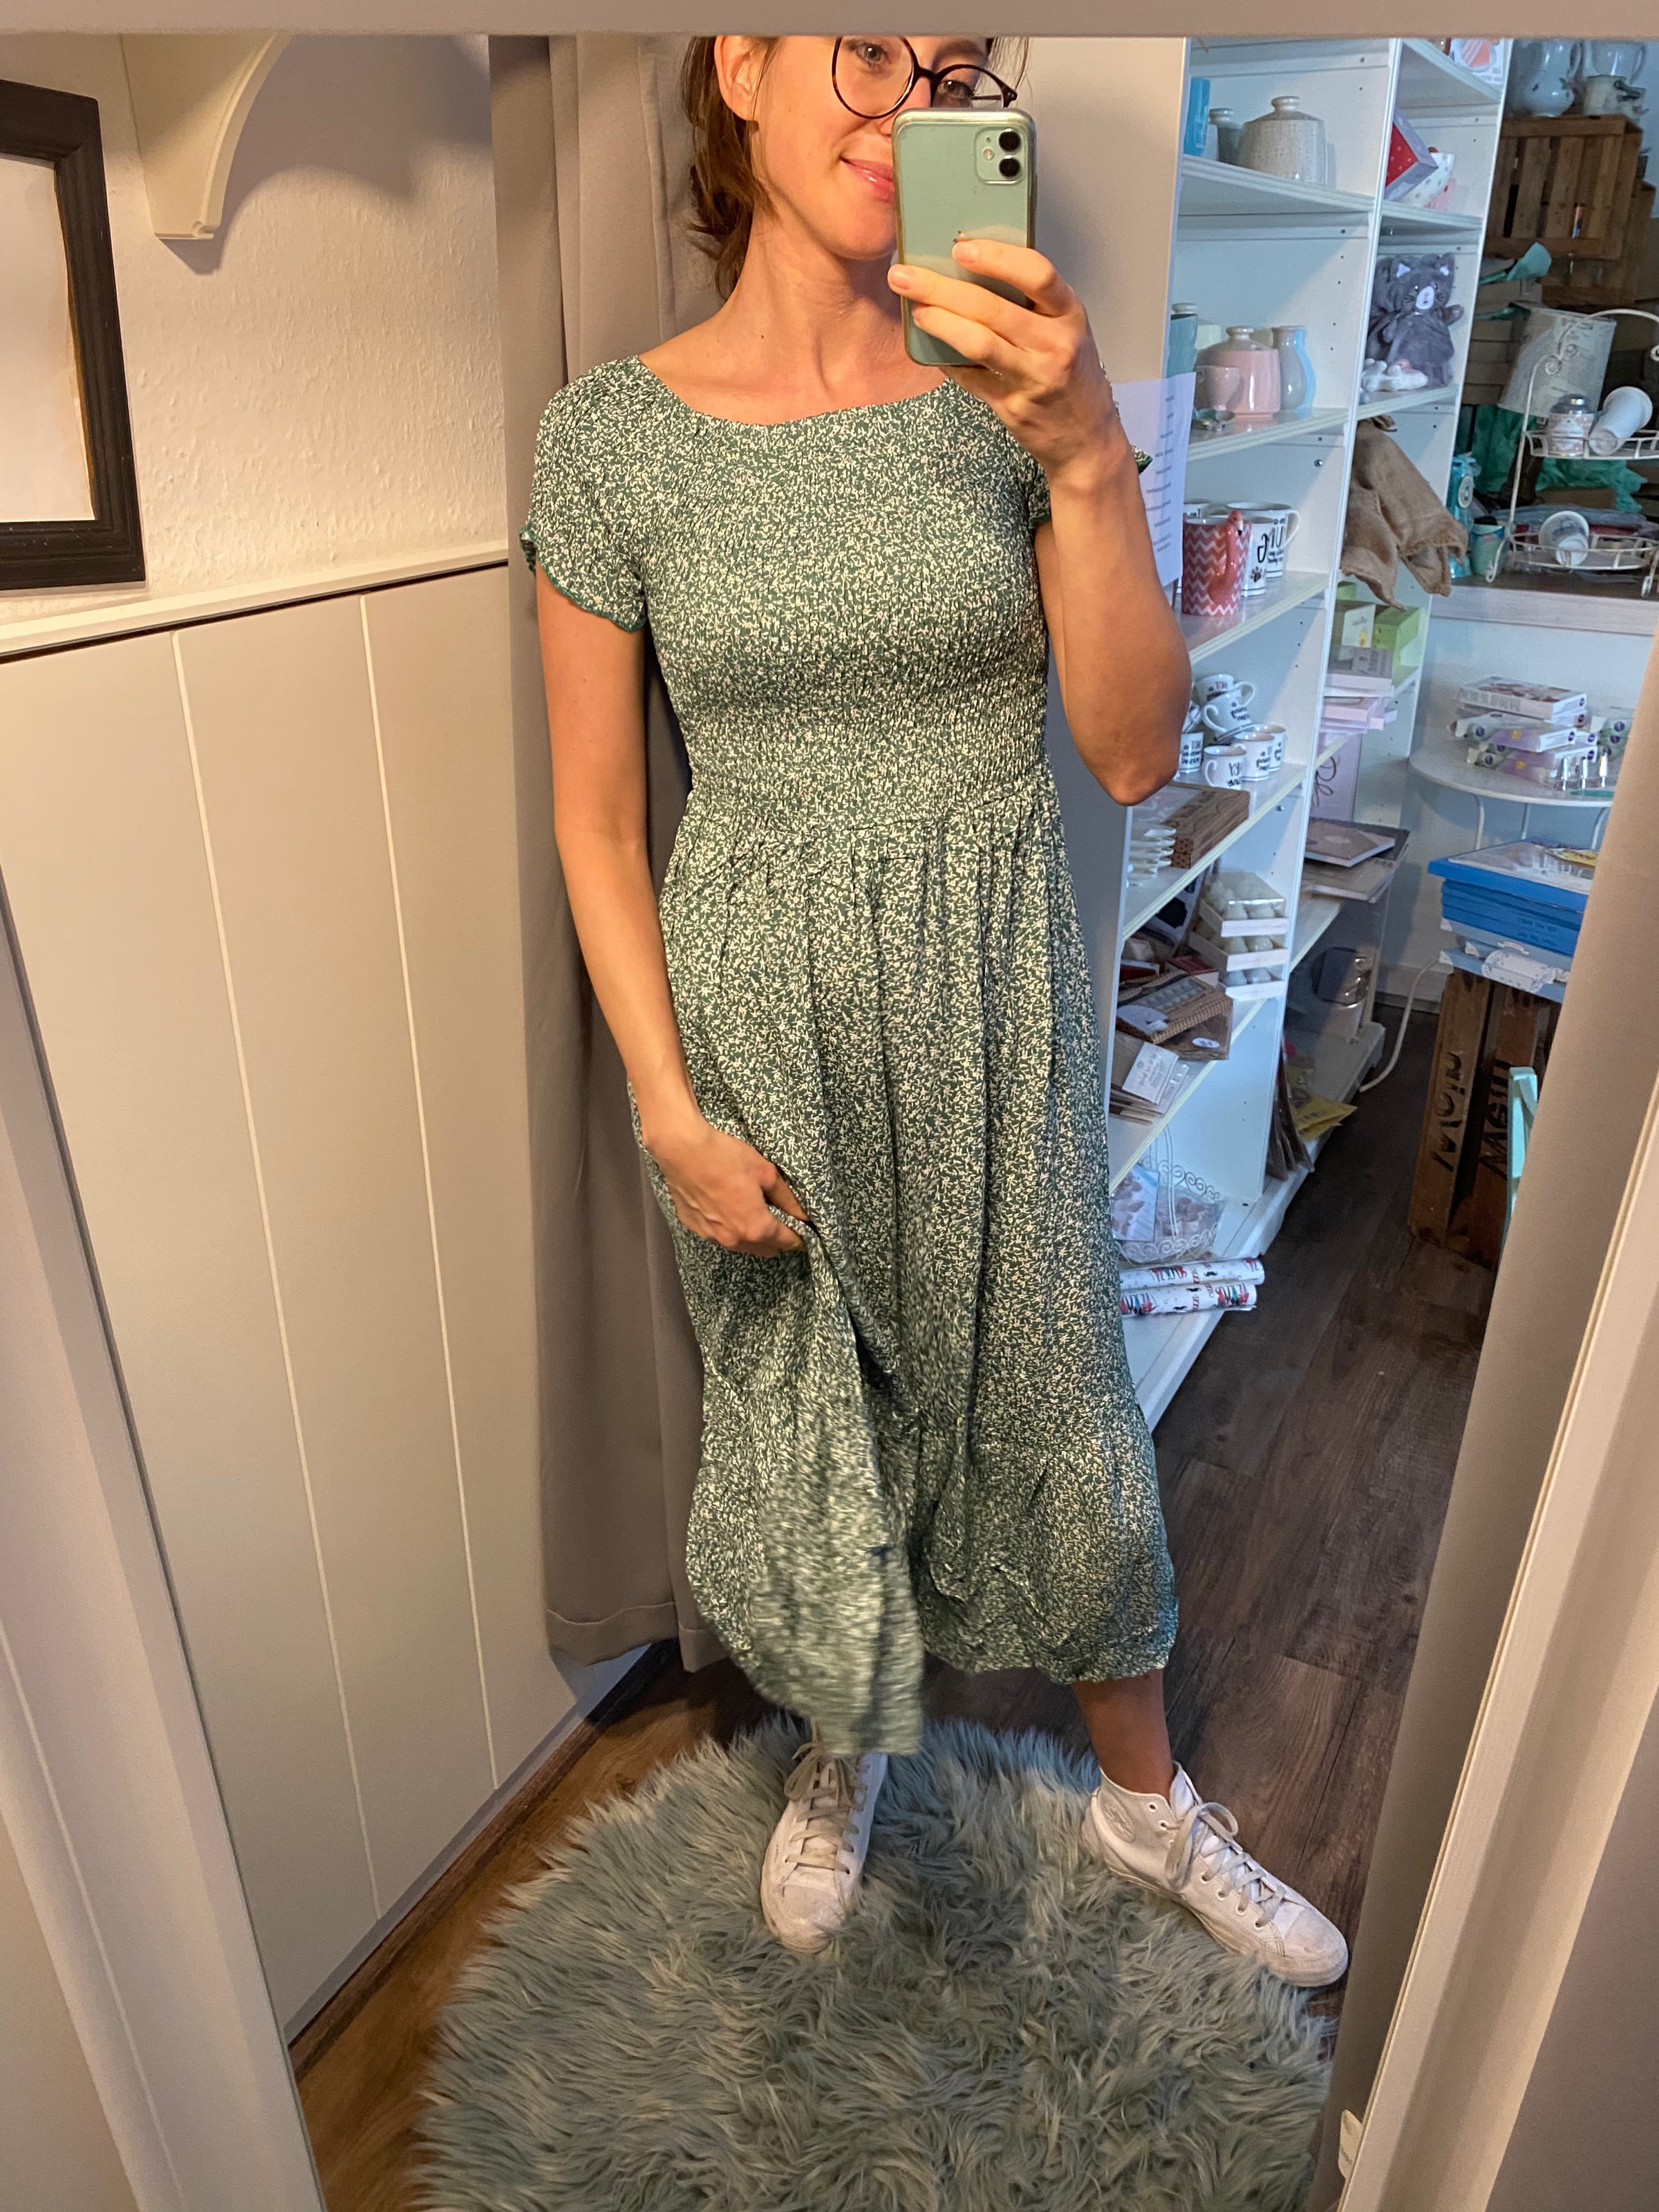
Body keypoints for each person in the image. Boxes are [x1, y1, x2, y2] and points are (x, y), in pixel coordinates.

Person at [523, 31, 1347, 1989]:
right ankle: (850, 1739)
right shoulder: (608, 440)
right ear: (740, 67)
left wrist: (1086, 453)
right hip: (756, 1016)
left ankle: (1147, 1801)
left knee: (1052, 1382)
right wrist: (664, 1104)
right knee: (816, 1405)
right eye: (868, 52)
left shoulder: (1020, 397)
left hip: (990, 988)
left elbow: (1133, 753)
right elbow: (598, 816)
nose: (910, 106)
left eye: (956, 68)